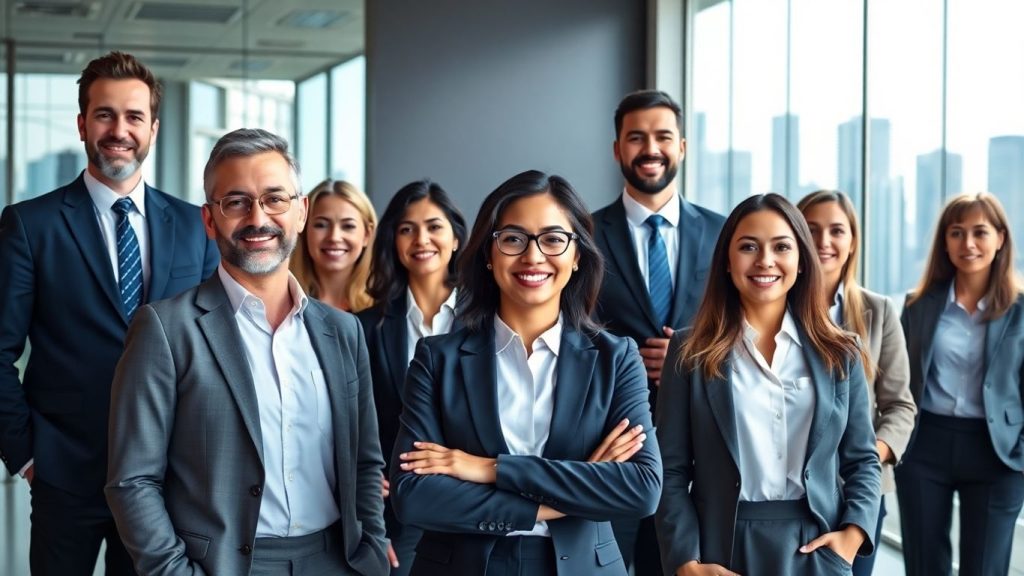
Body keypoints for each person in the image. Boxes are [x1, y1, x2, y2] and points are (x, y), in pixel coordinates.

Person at [105, 128, 388, 576]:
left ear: (300, 211)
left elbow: (366, 460)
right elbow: (132, 480)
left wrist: (372, 546)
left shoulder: (343, 331)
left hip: (337, 560)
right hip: (225, 566)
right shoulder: (165, 329)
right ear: (209, 220)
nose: (258, 218)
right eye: (236, 202)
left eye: (275, 199)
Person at [0, 51, 217, 576]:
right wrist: (27, 457)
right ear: (82, 123)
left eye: (134, 117)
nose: (119, 130)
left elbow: (214, 348)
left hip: (168, 477)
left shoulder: (195, 226)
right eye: (104, 114)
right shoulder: (31, 225)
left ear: (153, 128)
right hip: (63, 474)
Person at [389, 170, 662, 575]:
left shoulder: (615, 358)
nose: (533, 256)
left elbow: (640, 489)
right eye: (513, 239)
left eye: (553, 239)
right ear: (488, 253)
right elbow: (414, 496)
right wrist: (561, 498)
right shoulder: (436, 358)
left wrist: (486, 468)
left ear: (577, 256)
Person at [656, 193, 880, 576]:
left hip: (816, 548)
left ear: (801, 261)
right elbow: (670, 469)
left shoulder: (840, 351)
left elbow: (862, 460)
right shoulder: (689, 350)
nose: (765, 260)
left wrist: (853, 534)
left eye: (781, 247)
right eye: (748, 247)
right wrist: (686, 562)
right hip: (721, 550)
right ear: (727, 261)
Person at [592, 89, 725, 575]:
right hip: (611, 443)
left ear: (683, 147)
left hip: (700, 446)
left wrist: (689, 352)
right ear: (617, 149)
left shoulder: (725, 233)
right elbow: (569, 332)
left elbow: (745, 328)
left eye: (663, 136)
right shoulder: (583, 235)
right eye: (636, 137)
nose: (651, 148)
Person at [896, 192, 1024, 576]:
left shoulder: (1020, 310)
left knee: (985, 568)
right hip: (925, 448)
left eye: (979, 232)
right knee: (924, 565)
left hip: (997, 452)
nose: (968, 244)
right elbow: (898, 381)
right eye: (956, 232)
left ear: (1000, 238)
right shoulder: (917, 305)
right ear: (944, 241)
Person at [797, 190, 916, 576]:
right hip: (789, 488)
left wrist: (865, 456)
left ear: (852, 243)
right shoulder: (772, 306)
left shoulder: (878, 311)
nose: (823, 241)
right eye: (811, 229)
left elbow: (899, 406)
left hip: (858, 491)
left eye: (836, 230)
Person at [357, 179, 467, 575]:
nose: (421, 238)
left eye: (434, 226)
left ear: (456, 238)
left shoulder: (490, 322)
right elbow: (355, 424)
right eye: (407, 229)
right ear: (394, 241)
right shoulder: (366, 328)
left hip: (474, 505)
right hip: (397, 513)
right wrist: (369, 512)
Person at [290, 179, 377, 312]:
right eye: (321, 225)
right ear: (304, 229)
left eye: (348, 226)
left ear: (367, 234)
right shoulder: (284, 302)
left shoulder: (385, 307)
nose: (334, 237)